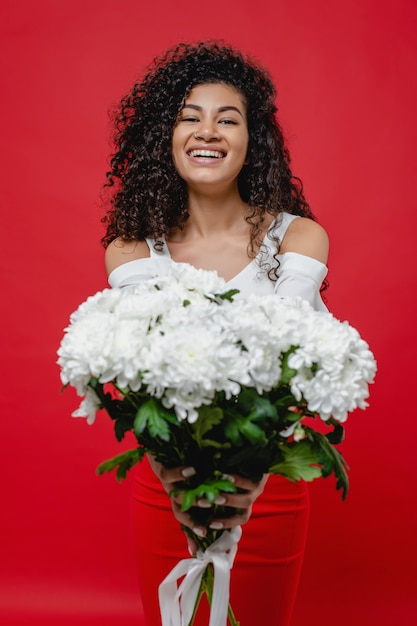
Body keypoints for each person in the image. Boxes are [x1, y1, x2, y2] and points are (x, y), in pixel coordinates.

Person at [102, 41, 329, 626]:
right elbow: (138, 368)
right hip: (168, 482)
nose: (209, 132)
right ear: (165, 137)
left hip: (269, 485)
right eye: (189, 117)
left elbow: (291, 359)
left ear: (254, 140)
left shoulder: (299, 238)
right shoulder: (130, 248)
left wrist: (250, 474)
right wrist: (174, 468)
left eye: (228, 119)